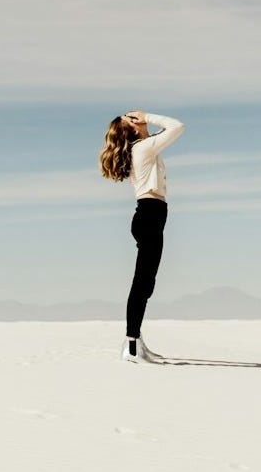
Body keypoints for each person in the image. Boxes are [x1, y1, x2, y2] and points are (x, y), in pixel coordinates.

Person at [98, 109, 185, 364]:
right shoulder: (143, 148)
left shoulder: (144, 147)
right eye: (132, 118)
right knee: (142, 283)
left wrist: (144, 123)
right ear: (133, 128)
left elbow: (167, 132)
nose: (138, 118)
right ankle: (132, 347)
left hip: (150, 216)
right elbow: (177, 126)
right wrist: (148, 115)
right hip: (149, 215)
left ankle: (136, 342)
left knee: (145, 283)